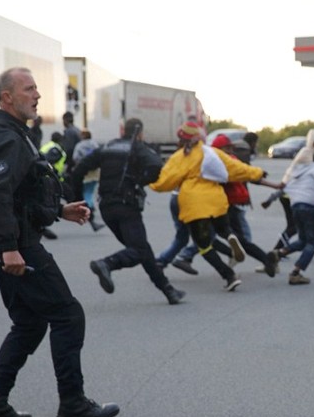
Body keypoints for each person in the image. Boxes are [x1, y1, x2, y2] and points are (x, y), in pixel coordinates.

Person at [0, 67, 119, 417]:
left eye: (36, 88)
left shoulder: (12, 133)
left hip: (10, 242)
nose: (37, 95)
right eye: (29, 89)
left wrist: (58, 210)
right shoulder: (7, 136)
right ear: (7, 97)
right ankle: (73, 403)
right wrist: (9, 248)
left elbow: (21, 192)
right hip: (17, 245)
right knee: (68, 315)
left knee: (29, 322)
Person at [69, 118, 185, 305]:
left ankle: (168, 290)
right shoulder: (137, 147)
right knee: (139, 249)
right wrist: (140, 181)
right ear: (139, 133)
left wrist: (78, 200)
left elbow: (78, 170)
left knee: (141, 248)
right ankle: (107, 263)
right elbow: (156, 166)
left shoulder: (107, 147)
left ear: (123, 130)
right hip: (126, 207)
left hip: (106, 207)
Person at [150, 121, 266, 291]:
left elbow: (166, 182)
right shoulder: (212, 153)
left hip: (194, 205)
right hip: (217, 200)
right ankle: (229, 236)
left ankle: (229, 276)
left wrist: (152, 184)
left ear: (181, 139)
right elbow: (235, 168)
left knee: (204, 246)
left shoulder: (180, 157)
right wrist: (258, 172)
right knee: (222, 228)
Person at [269, 137, 314, 285]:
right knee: (312, 244)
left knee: (302, 241)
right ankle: (296, 273)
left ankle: (279, 253)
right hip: (309, 207)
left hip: (295, 206)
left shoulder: (303, 169)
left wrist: (271, 199)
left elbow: (288, 186)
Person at [211, 133, 280, 278]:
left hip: (224, 203)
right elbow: (248, 173)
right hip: (233, 202)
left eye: (230, 148)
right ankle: (264, 259)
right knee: (237, 238)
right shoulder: (233, 160)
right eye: (228, 148)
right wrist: (270, 183)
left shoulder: (219, 162)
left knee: (209, 238)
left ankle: (232, 259)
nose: (230, 151)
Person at [71, 128, 106, 231]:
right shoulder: (94, 144)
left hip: (84, 171)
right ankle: (91, 207)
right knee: (90, 191)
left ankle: (89, 208)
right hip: (95, 172)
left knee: (85, 192)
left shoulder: (80, 145)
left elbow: (75, 157)